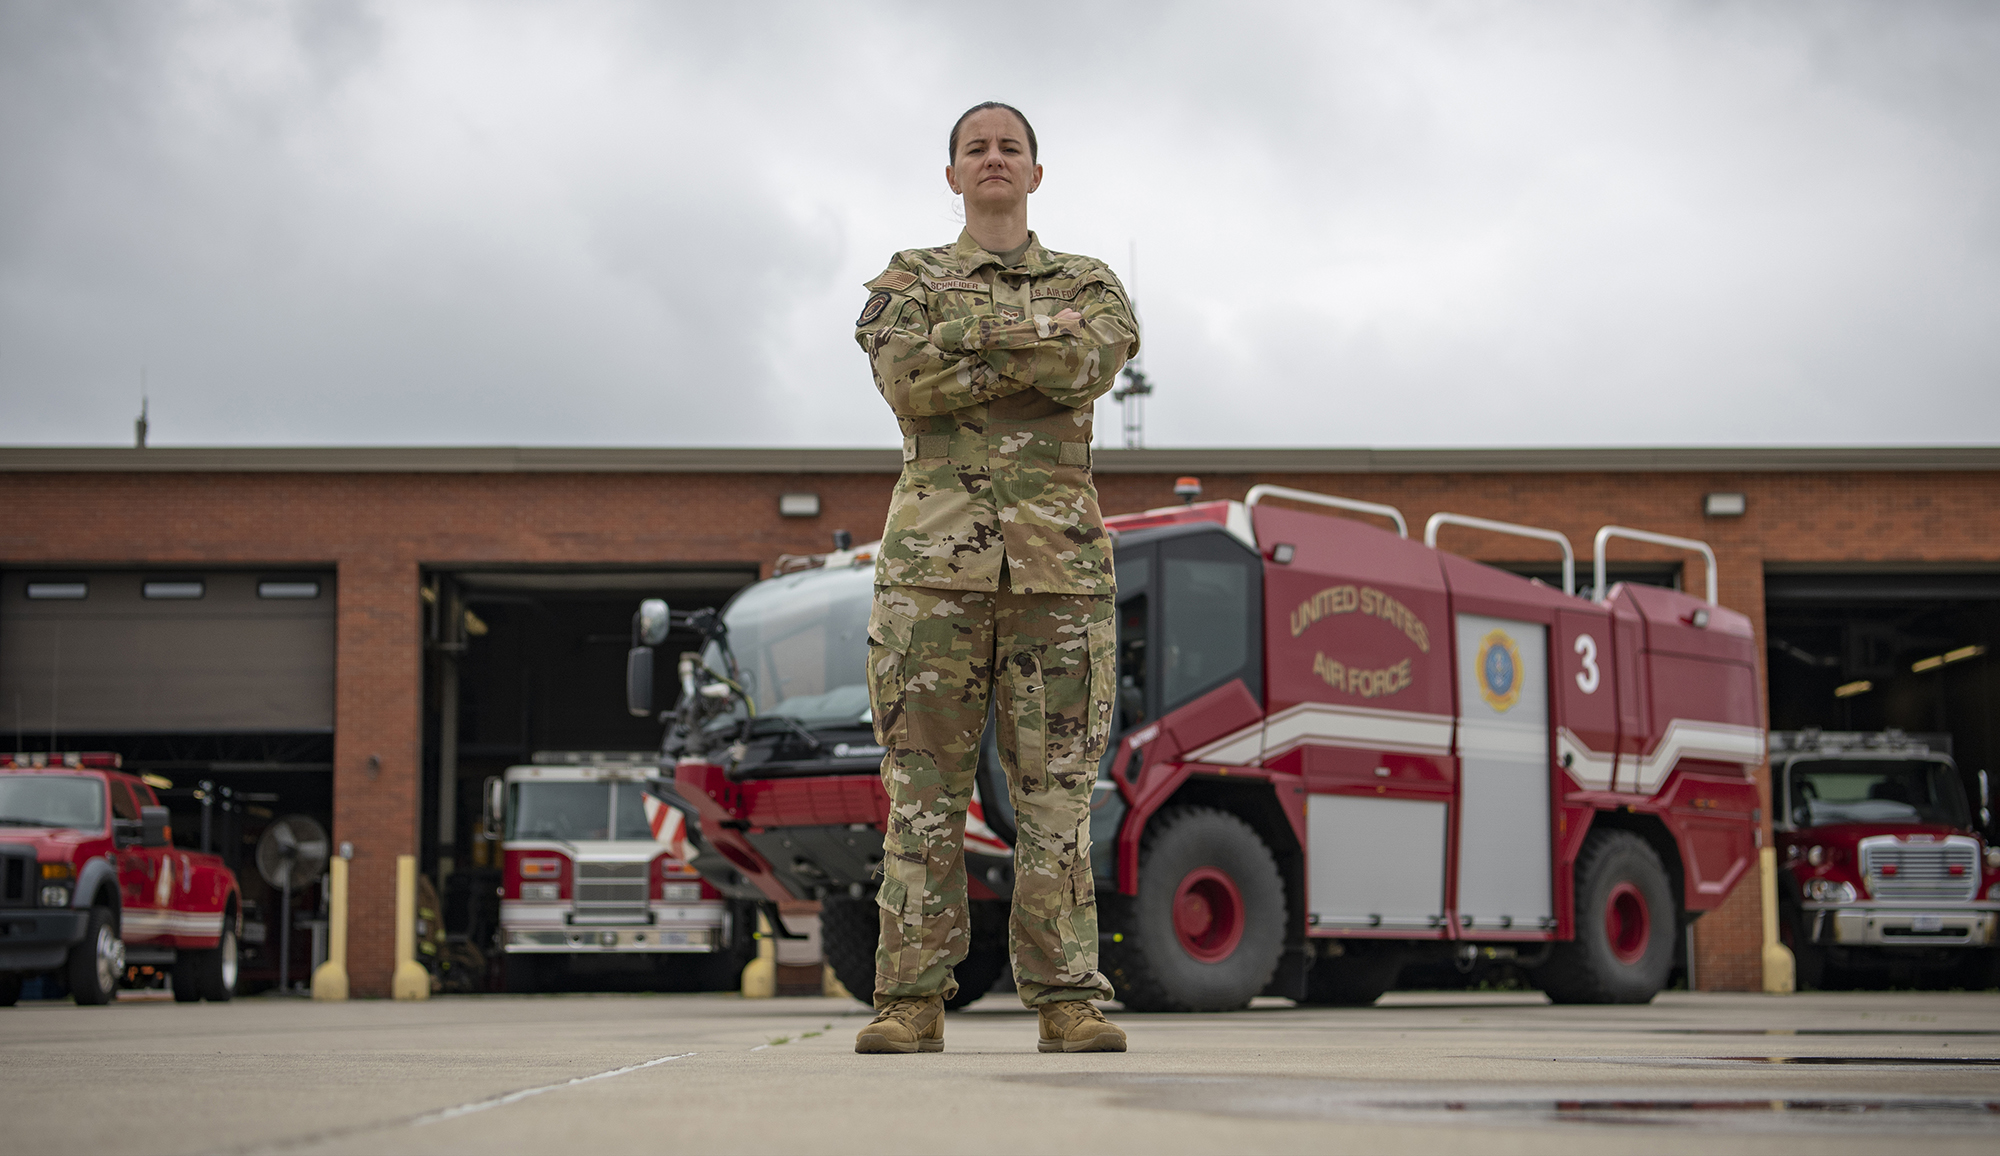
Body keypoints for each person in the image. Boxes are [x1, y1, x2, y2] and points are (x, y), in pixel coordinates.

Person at [851, 101, 1140, 1054]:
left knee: (1057, 798)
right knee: (922, 796)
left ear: (1035, 173)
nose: (993, 159)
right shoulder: (906, 278)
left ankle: (1067, 1002)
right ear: (952, 176)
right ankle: (911, 1003)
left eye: (1009, 147)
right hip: (931, 577)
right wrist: (1029, 342)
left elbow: (1091, 359)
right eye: (975, 148)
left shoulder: (1090, 282)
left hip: (1057, 581)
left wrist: (967, 341)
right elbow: (904, 378)